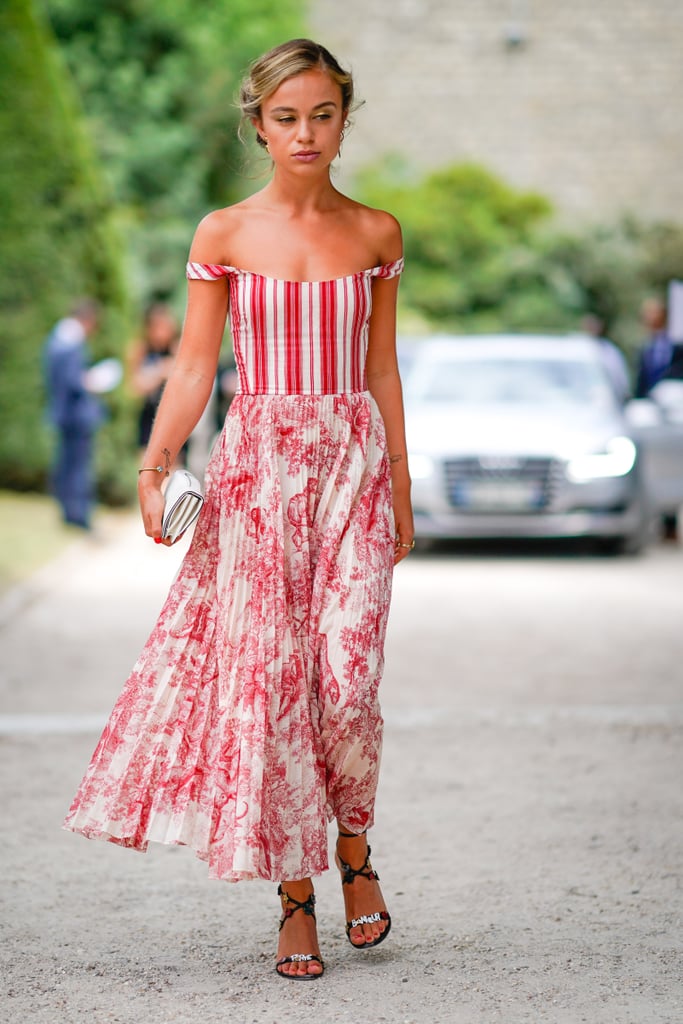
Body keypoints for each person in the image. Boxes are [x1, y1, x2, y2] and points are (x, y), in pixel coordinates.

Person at [63, 39, 414, 981]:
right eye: (285, 117)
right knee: (276, 693)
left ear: (345, 118)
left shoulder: (378, 233)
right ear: (257, 125)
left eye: (322, 114)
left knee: (347, 685)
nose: (305, 133)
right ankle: (297, 894)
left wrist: (401, 492)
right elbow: (192, 368)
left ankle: (355, 849)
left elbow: (380, 371)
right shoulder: (222, 233)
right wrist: (154, 462)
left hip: (350, 471)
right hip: (256, 474)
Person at [43, 299, 105, 530]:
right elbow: (73, 382)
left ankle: (68, 512)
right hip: (76, 417)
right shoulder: (71, 342)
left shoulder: (56, 339)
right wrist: (91, 381)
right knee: (78, 468)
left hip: (62, 414)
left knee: (66, 465)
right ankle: (78, 516)